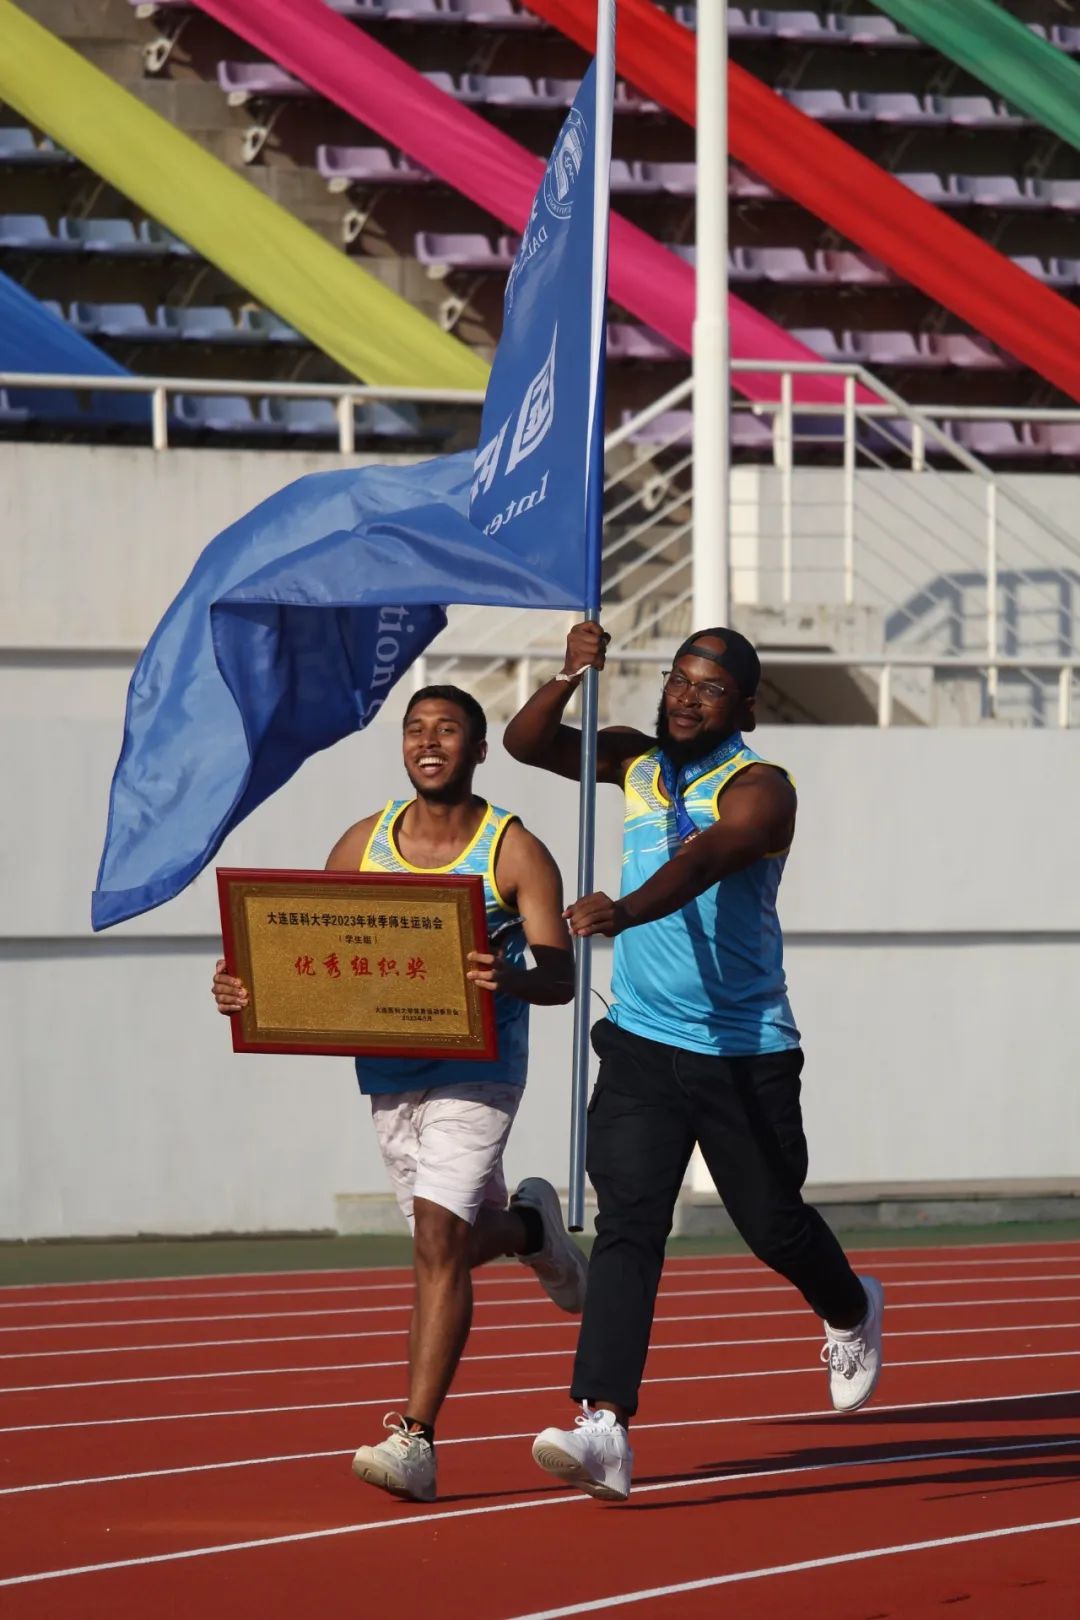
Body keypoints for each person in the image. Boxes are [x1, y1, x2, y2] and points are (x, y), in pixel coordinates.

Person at [503, 624, 883, 1502]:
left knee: (772, 1225)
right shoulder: (634, 761)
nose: (684, 698)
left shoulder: (761, 789)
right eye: (678, 680)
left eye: (708, 689)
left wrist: (627, 910)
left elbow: (708, 857)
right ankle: (604, 1425)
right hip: (641, 1042)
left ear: (744, 708)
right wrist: (569, 673)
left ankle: (850, 1306)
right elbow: (527, 743)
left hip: (743, 1051)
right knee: (630, 1226)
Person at [213, 684, 584, 1505]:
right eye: (415, 729)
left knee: (435, 1244)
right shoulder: (363, 844)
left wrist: (511, 979)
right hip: (387, 1072)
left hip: (481, 1071)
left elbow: (559, 976)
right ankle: (530, 1228)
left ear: (477, 749)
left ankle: (414, 1438)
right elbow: (304, 949)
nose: (428, 742)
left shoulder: (513, 850)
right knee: (441, 1244)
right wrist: (246, 988)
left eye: (447, 729)